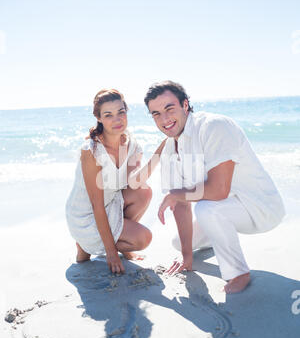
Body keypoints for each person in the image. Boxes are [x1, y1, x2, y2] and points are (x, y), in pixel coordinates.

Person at [142, 80, 285, 294]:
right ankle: (216, 234)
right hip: (229, 209)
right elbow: (180, 203)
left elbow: (219, 190)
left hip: (260, 208)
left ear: (185, 105)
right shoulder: (171, 147)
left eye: (169, 108)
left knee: (206, 208)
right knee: (179, 244)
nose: (164, 119)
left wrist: (176, 195)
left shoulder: (213, 126)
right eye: (156, 114)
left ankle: (238, 272)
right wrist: (187, 258)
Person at [65, 88, 153, 274]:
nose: (117, 119)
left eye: (121, 112)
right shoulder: (91, 151)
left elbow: (135, 184)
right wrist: (112, 253)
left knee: (144, 192)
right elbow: (96, 204)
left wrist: (161, 152)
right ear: (99, 118)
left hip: (111, 204)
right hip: (86, 215)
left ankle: (114, 244)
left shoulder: (132, 145)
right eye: (108, 115)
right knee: (143, 238)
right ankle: (85, 245)